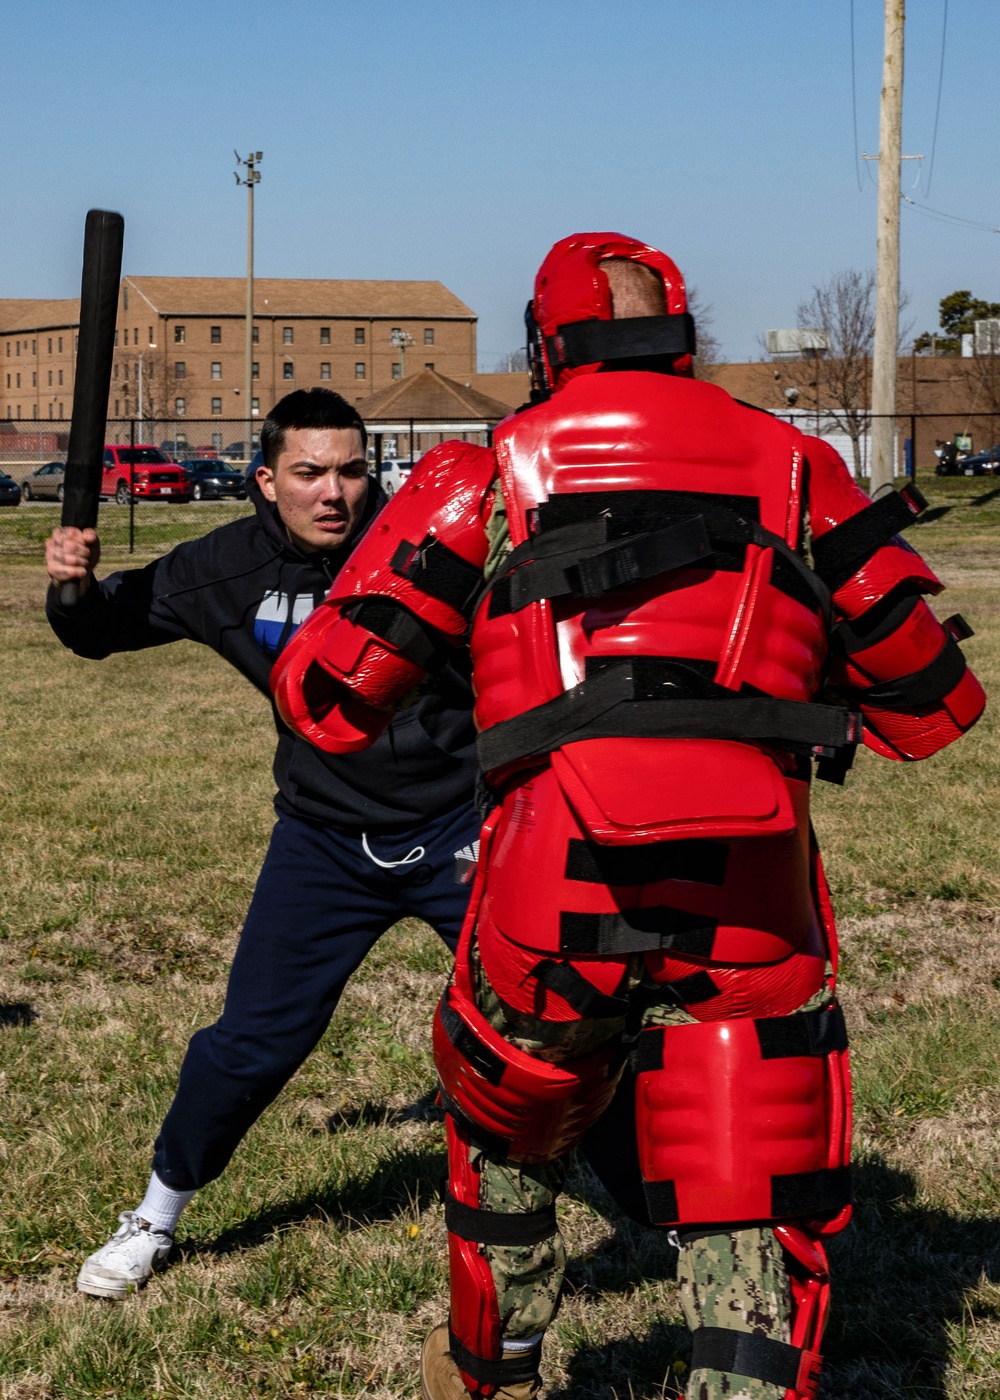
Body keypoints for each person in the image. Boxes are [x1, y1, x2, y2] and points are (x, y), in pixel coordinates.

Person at [272, 237, 985, 1400]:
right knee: (748, 1181)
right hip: (747, 898)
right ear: (683, 338)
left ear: (546, 344)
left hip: (549, 892)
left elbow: (326, 702)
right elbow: (931, 704)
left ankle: (486, 1371)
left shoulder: (482, 473)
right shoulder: (800, 467)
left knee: (505, 1127)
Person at [44, 388, 483, 1300]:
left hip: (462, 828)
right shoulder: (227, 568)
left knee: (557, 1023)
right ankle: (155, 1217)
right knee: (249, 1041)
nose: (334, 493)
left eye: (352, 471)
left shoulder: (433, 551)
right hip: (323, 840)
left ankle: (673, 1215)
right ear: (266, 480)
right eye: (309, 473)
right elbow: (99, 632)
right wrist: (69, 583)